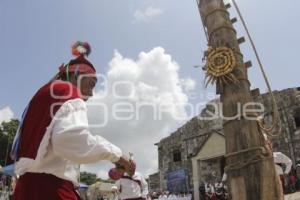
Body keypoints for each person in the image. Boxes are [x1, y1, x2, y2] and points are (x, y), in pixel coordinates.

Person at [11, 42, 134, 200]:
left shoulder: (42, 94)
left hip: (25, 188)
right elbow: (68, 140)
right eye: (91, 84)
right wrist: (117, 155)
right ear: (76, 75)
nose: (91, 93)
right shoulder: (68, 91)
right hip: (51, 190)